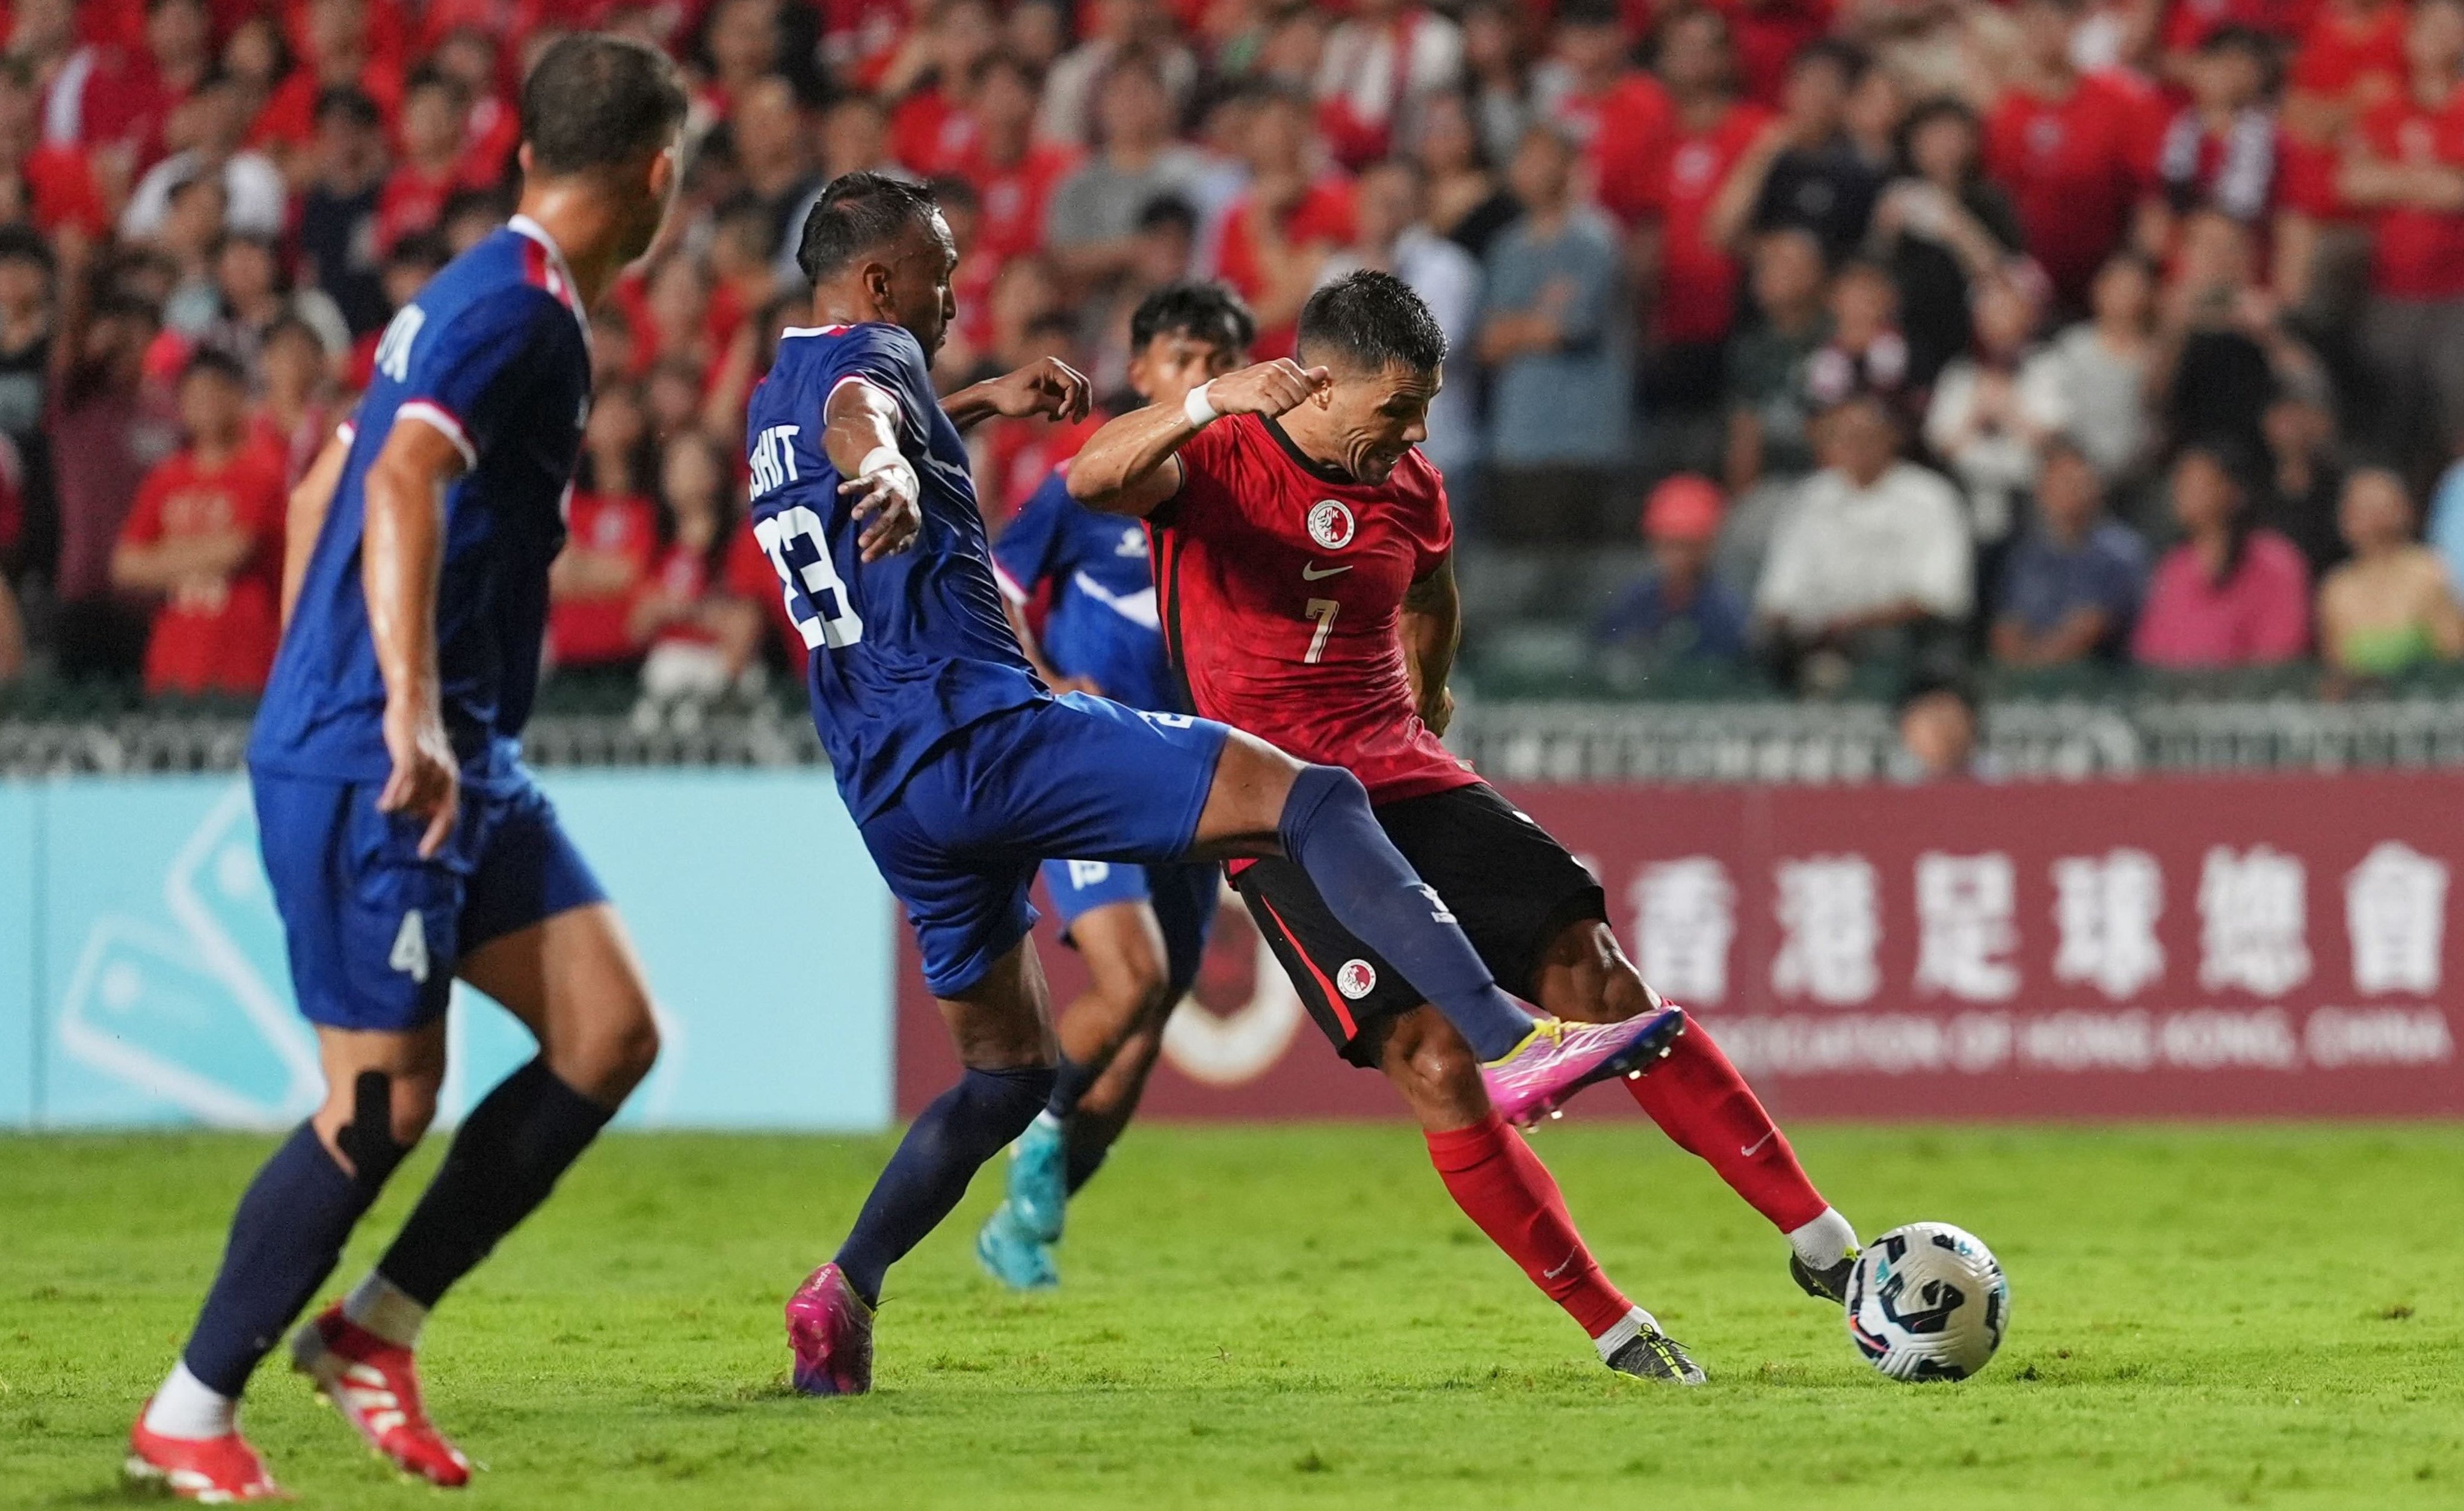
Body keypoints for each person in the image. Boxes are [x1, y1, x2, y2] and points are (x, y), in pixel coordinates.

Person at [756, 175, 1680, 1399]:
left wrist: (974, 400)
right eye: (938, 271)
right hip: (989, 733)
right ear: (877, 283)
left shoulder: (775, 385)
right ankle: (1510, 1043)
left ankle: (843, 1290)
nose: (950, 293)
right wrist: (881, 461)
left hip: (884, 787)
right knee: (1312, 798)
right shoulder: (867, 367)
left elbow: (862, 406)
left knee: (1005, 1072)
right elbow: (866, 411)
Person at [1068, 268, 1861, 1385]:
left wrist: (1427, 690)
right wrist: (1206, 401)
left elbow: (1431, 593)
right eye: (1397, 407)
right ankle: (1616, 1326)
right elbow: (1086, 476)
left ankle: (1824, 1244)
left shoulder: (1411, 487)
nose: (1416, 431)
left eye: (1427, 406)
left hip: (1404, 768)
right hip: (1273, 802)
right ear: (1319, 385)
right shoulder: (1218, 457)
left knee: (1599, 975)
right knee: (1433, 1059)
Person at [125, 35, 691, 1502]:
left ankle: (373, 1331)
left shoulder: (473, 292)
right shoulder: (517, 316)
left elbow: (326, 473)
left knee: (607, 1032)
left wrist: (366, 693)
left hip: (441, 744)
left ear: (521, 157)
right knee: (379, 1102)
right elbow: (391, 478)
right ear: (659, 177)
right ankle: (188, 1407)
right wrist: (394, 712)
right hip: (396, 750)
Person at [974, 281, 1255, 1291]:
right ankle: (1034, 1133)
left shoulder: (1245, 489)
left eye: (1221, 357)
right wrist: (1049, 686)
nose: (1203, 375)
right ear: (1141, 372)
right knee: (1129, 980)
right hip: (1093, 762)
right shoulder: (1083, 484)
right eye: (1184, 357)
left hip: (1200, 773)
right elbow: (995, 589)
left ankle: (1025, 1222)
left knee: (1144, 1033)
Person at [108, 349, 288, 698]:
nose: (202, 405)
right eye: (192, 396)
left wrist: (165, 554)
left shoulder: (261, 472)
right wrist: (206, 551)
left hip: (245, 663)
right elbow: (125, 565)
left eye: (213, 393)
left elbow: (237, 550)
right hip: (173, 663)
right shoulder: (165, 479)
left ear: (237, 397)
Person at [1754, 392, 1972, 679]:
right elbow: (1777, 598)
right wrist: (1813, 627)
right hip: (1817, 639)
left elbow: (1943, 597)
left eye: (1866, 435)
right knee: (1766, 646)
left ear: (1892, 437)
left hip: (1901, 637)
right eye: (1844, 436)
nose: (1856, 446)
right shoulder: (1808, 499)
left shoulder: (1931, 498)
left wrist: (1853, 622)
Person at [2132, 442, 2312, 667]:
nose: (2183, 492)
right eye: (2180, 483)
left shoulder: (2277, 562)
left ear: (2233, 491)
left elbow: (2281, 653)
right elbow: (2150, 652)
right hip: (2178, 698)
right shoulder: (2173, 567)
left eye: (2198, 481)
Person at [1991, 437, 2149, 665]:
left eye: (2076, 482)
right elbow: (2006, 628)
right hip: (2029, 684)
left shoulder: (2122, 551)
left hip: (2103, 682)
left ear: (2095, 487)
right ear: (2041, 490)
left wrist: (2035, 665)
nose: (2069, 491)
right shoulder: (2026, 556)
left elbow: (2090, 629)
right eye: (2058, 482)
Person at [1590, 472, 1749, 669]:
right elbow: (1599, 650)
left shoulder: (1725, 612)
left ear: (1708, 547)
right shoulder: (1634, 600)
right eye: (1668, 545)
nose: (1677, 557)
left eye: (1687, 545)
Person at [2316, 467, 2464, 678]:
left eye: (2377, 506)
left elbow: (2454, 659)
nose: (2370, 516)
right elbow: (2334, 672)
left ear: (2404, 510)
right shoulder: (2336, 588)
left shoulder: (2431, 573)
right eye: (2359, 507)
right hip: (2360, 706)